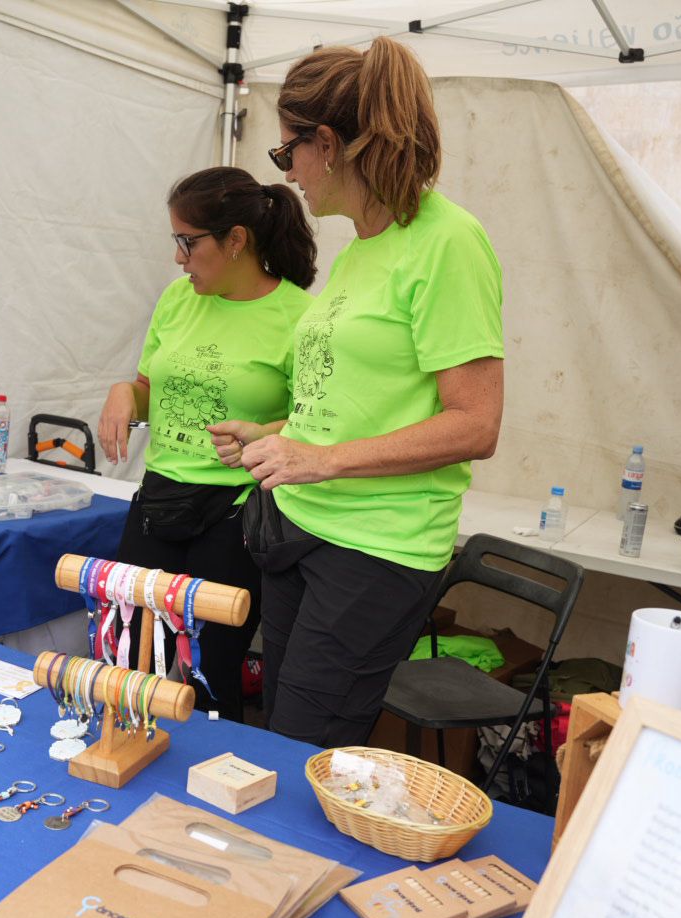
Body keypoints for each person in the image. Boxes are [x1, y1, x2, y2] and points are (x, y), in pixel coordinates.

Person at [208, 38, 505, 749]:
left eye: (286, 154)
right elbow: (351, 402)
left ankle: (298, 864)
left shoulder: (448, 243)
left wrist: (322, 460)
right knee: (275, 730)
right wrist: (277, 433)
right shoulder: (363, 247)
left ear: (330, 145)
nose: (286, 172)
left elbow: (476, 424)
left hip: (376, 549)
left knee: (305, 747)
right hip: (301, 528)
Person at [97, 167, 316, 724]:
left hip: (236, 518)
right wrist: (125, 393)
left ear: (236, 240)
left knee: (210, 677)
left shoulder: (301, 317)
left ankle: (210, 794)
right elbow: (150, 389)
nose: (178, 258)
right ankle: (125, 771)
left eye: (187, 242)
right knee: (128, 661)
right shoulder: (177, 299)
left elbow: (318, 425)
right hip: (159, 502)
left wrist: (265, 435)